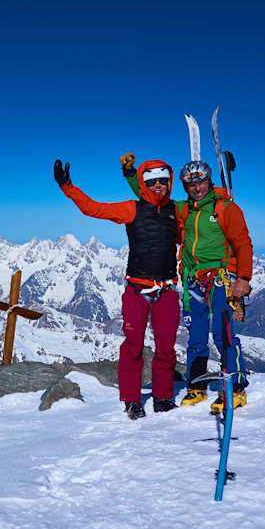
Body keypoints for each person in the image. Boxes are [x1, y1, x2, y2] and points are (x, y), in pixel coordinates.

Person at [54, 155, 180, 420]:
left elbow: (203, 211)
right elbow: (94, 209)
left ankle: (163, 398)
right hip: (137, 290)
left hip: (166, 290)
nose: (158, 185)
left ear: (169, 182)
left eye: (163, 180)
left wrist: (220, 194)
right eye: (152, 181)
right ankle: (132, 400)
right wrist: (68, 187)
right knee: (133, 347)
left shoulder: (177, 210)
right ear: (144, 184)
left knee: (167, 348)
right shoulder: (131, 209)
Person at [124, 157, 253, 414]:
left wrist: (244, 279)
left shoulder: (226, 208)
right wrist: (130, 175)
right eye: (191, 185)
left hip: (222, 277)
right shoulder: (183, 210)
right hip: (193, 279)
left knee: (223, 334)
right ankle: (196, 386)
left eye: (201, 182)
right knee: (196, 336)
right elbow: (150, 196)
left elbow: (243, 243)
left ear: (209, 182)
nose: (197, 188)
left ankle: (235, 388)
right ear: (184, 186)